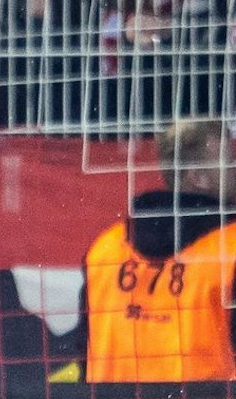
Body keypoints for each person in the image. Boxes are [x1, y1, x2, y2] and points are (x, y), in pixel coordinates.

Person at [83, 118, 236, 382]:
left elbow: (81, 350)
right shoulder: (230, 249)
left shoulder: (106, 246)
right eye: (229, 160)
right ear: (197, 178)